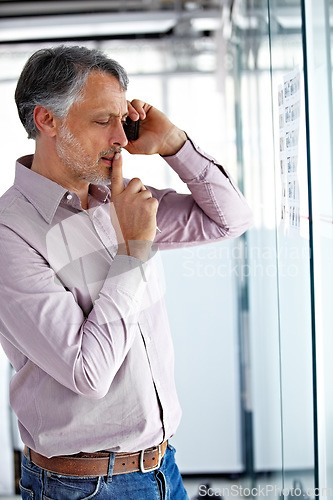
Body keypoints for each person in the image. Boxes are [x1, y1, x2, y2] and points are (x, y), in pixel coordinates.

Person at [0, 45, 252, 499]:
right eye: (103, 121)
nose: (121, 137)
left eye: (123, 119)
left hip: (164, 466)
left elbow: (229, 218)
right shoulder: (10, 235)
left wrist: (174, 144)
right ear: (47, 120)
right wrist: (133, 249)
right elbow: (87, 372)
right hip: (85, 486)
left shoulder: (116, 200)